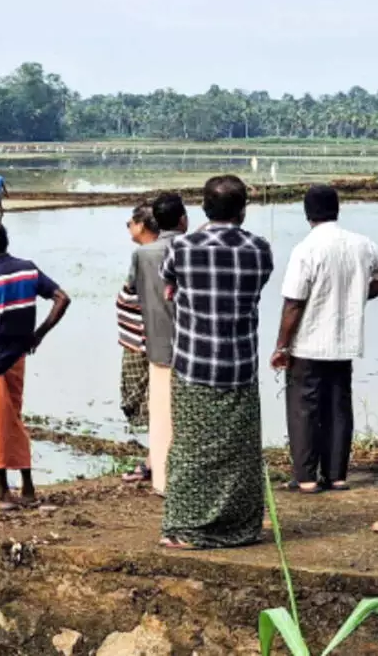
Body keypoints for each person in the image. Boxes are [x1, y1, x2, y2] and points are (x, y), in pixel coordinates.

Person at [159, 176, 273, 549]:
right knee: (238, 453)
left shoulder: (182, 246)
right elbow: (257, 287)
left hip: (194, 364)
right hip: (239, 364)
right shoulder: (259, 249)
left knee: (192, 449)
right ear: (242, 210)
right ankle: (239, 528)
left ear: (203, 209)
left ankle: (187, 528)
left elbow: (168, 283)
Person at [271, 185, 378, 493]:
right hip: (344, 343)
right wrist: (364, 293)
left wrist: (281, 346)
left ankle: (305, 478)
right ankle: (336, 475)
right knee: (338, 407)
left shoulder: (306, 249)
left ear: (307, 214)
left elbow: (293, 303)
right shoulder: (360, 244)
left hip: (308, 344)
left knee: (304, 408)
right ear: (337, 209)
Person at [0, 221, 72, 509]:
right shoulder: (27, 269)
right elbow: (62, 298)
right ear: (6, 241)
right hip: (18, 359)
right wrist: (38, 334)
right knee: (8, 420)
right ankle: (24, 488)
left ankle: (5, 491)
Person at [129, 191, 188, 495]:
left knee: (162, 414)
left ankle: (163, 480)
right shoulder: (191, 248)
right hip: (193, 346)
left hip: (158, 343)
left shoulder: (143, 255)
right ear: (183, 220)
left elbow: (136, 292)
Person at [116, 204, 158, 482]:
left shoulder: (144, 255)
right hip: (143, 339)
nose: (128, 227)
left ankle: (154, 461)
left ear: (142, 225)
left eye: (130, 222)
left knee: (148, 402)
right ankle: (153, 459)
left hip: (144, 342)